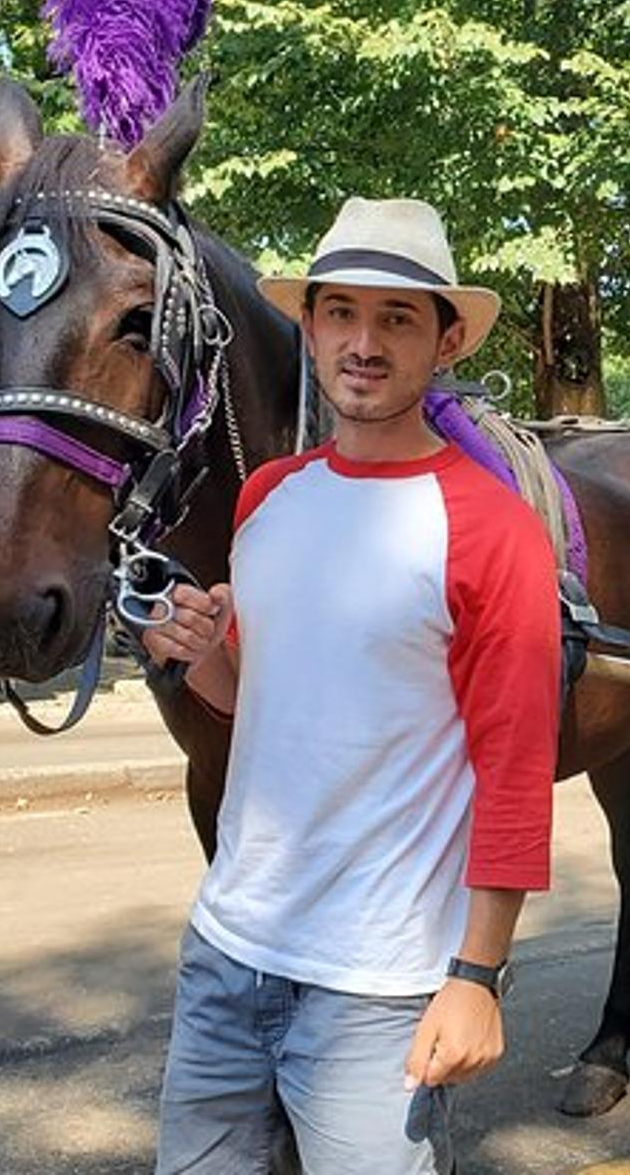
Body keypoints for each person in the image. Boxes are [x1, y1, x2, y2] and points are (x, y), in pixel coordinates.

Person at [141, 197, 561, 1174]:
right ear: (310, 325)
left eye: (396, 318)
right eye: (341, 313)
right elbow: (248, 699)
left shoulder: (492, 529)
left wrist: (477, 975)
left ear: (444, 341)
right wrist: (195, 647)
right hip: (225, 955)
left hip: (379, 990)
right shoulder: (269, 495)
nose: (363, 343)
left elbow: (513, 769)